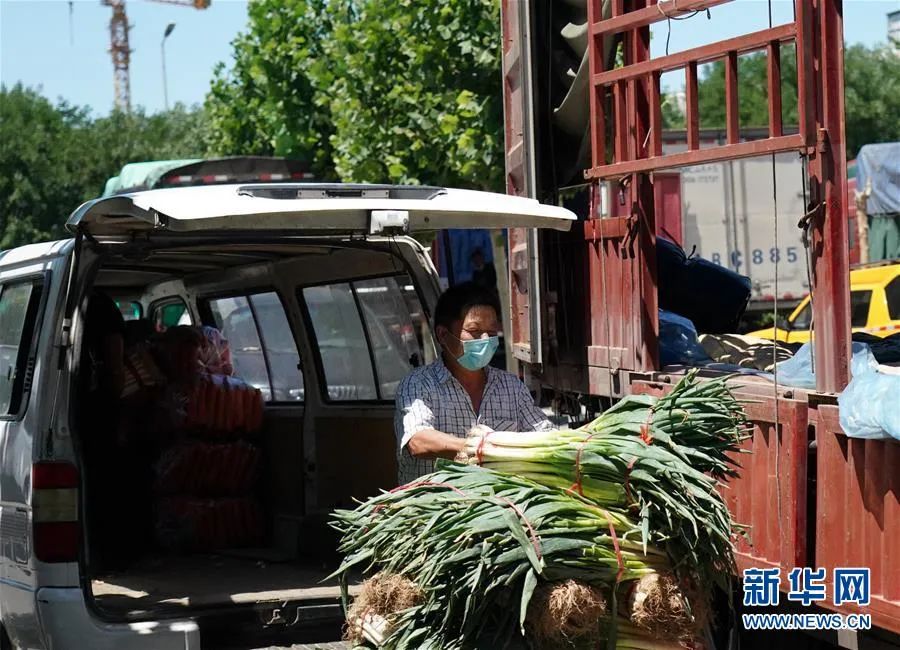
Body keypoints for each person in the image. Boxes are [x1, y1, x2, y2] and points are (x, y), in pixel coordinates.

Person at [394, 282, 552, 484]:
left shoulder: (512, 387)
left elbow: (544, 434)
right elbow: (418, 441)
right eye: (474, 331)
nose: (485, 339)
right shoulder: (418, 384)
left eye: (492, 333)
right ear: (443, 335)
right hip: (439, 500)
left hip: (497, 500)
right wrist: (482, 448)